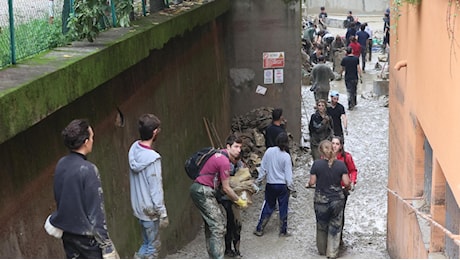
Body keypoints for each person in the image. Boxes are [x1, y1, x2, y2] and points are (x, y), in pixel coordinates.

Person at [44, 119, 119, 259]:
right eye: (91, 137)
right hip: (88, 240)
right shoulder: (89, 170)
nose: (92, 140)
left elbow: (59, 197)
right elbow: (96, 213)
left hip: (67, 235)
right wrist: (107, 246)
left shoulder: (61, 164)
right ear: (85, 142)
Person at [189, 134, 248, 259]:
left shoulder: (219, 155)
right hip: (203, 190)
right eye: (236, 146)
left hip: (200, 189)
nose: (239, 150)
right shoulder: (223, 161)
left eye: (240, 147)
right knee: (219, 226)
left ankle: (213, 255)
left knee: (211, 226)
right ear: (228, 146)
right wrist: (239, 201)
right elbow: (226, 188)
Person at [128, 114, 169, 259]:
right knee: (153, 247)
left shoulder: (134, 149)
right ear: (154, 132)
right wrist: (162, 212)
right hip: (150, 210)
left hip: (138, 207)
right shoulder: (153, 159)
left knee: (146, 243)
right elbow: (155, 188)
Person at [306, 139, 351, 259]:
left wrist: (309, 184)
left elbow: (312, 181)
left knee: (321, 225)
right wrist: (349, 186)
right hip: (337, 200)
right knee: (335, 226)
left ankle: (321, 250)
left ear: (321, 152)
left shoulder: (316, 164)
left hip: (321, 200)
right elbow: (346, 182)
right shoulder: (341, 165)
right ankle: (331, 253)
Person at [253, 132, 295, 237]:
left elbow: (263, 168)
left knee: (268, 205)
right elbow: (288, 176)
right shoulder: (286, 156)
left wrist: (258, 181)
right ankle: (283, 231)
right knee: (283, 207)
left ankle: (259, 228)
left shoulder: (269, 151)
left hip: (270, 184)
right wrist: (292, 188)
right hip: (282, 186)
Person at [331, 136, 357, 247]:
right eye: (333, 143)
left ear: (341, 146)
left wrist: (352, 182)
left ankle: (339, 236)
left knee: (340, 214)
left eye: (337, 144)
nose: (334, 146)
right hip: (329, 189)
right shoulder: (326, 157)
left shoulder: (347, 157)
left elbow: (353, 170)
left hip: (342, 190)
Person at [218, 155, 245, 257]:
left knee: (236, 224)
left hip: (233, 199)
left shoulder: (238, 164)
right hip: (225, 199)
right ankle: (228, 249)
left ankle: (236, 249)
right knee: (229, 224)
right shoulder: (225, 164)